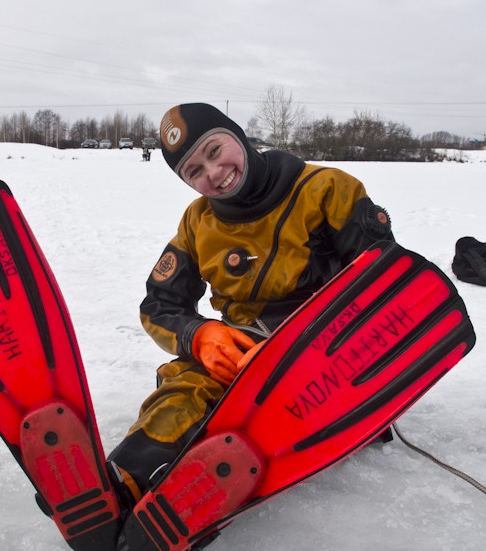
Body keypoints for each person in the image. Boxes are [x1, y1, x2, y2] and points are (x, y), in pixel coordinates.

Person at [108, 102, 394, 503]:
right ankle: (122, 484)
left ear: (237, 135)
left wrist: (299, 353)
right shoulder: (197, 221)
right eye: (193, 172)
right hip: (245, 355)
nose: (214, 174)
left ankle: (204, 483)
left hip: (327, 362)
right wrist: (201, 334)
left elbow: (386, 290)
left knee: (245, 411)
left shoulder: (327, 189)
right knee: (185, 384)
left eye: (213, 151)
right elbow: (158, 304)